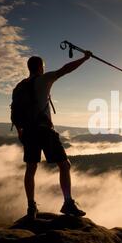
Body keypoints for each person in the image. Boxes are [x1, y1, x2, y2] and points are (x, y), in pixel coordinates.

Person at [16, 51, 92, 219]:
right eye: (43, 66)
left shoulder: (20, 86)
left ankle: (31, 207)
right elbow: (66, 69)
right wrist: (85, 58)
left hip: (28, 131)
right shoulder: (44, 79)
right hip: (44, 130)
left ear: (29, 68)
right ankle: (67, 203)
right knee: (64, 165)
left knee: (31, 168)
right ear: (40, 67)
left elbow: (16, 111)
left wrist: (21, 131)